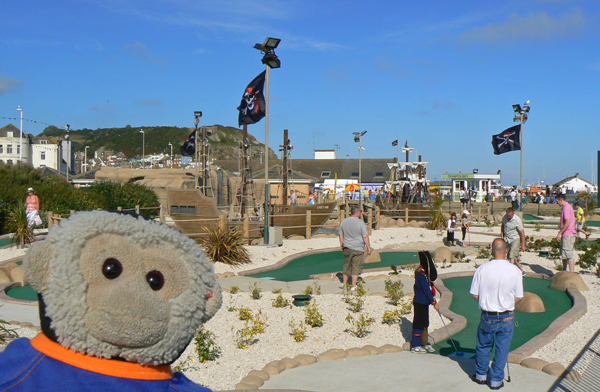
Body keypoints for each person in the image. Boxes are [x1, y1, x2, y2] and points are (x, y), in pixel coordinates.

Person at [470, 238, 523, 390]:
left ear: (492, 250)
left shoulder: (482, 268)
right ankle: (495, 381)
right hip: (506, 315)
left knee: (484, 344)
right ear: (506, 250)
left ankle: (481, 375)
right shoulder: (515, 270)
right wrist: (507, 303)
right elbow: (519, 297)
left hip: (488, 314)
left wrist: (486, 301)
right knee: (502, 348)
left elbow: (475, 293)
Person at [411, 251, 439, 354]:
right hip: (420, 303)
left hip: (424, 303)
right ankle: (415, 345)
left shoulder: (425, 275)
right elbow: (426, 291)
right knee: (419, 323)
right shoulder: (421, 275)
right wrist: (434, 302)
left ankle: (424, 342)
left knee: (425, 323)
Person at [338, 206, 372, 290]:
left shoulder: (344, 221)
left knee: (347, 264)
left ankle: (344, 283)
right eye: (360, 211)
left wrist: (342, 244)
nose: (361, 213)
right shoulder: (361, 222)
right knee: (356, 266)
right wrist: (368, 247)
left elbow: (341, 235)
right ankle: (353, 285)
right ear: (357, 212)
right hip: (358, 247)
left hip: (347, 246)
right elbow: (365, 236)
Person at [501, 207, 526, 275]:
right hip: (507, 238)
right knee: (510, 256)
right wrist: (502, 236)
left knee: (512, 256)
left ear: (513, 214)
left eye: (510, 216)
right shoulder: (504, 217)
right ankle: (522, 270)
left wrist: (523, 245)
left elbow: (522, 233)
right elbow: (503, 226)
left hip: (515, 239)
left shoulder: (517, 220)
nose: (508, 217)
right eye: (507, 215)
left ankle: (510, 272)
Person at [557, 194, 577, 272]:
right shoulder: (567, 207)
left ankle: (571, 273)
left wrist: (560, 233)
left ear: (561, 200)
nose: (557, 203)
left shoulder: (566, 208)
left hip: (568, 233)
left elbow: (567, 222)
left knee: (568, 254)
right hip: (568, 233)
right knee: (564, 254)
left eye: (558, 201)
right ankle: (564, 271)